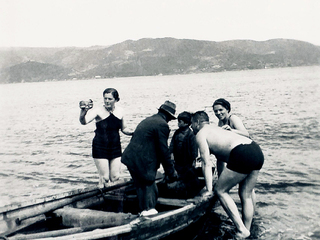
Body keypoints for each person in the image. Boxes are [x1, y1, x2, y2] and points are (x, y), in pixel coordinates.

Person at [191, 111, 264, 239]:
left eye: (192, 124)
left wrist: (209, 190)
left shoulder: (201, 134)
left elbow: (206, 163)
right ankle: (246, 230)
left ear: (197, 123)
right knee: (246, 195)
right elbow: (220, 160)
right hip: (256, 150)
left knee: (220, 191)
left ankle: (242, 230)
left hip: (242, 153)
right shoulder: (216, 129)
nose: (191, 127)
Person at [121, 100, 178, 216]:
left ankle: (143, 210)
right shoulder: (162, 125)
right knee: (149, 186)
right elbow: (164, 151)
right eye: (170, 119)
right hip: (143, 161)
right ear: (168, 116)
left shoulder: (149, 120)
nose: (169, 121)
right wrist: (171, 172)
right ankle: (149, 212)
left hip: (131, 158)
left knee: (140, 186)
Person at [79, 88, 133, 188]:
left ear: (116, 100)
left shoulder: (120, 111)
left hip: (115, 146)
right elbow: (84, 122)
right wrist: (83, 112)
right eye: (105, 98)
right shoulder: (98, 111)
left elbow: (124, 128)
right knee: (104, 178)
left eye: (110, 99)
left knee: (115, 177)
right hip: (100, 147)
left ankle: (114, 198)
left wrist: (134, 133)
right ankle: (102, 198)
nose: (107, 101)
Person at [162, 111, 202, 199]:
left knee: (188, 177)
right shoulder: (177, 133)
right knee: (173, 176)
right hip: (177, 161)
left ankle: (188, 193)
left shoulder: (191, 135)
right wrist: (171, 154)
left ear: (186, 123)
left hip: (187, 162)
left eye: (180, 122)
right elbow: (172, 145)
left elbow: (194, 150)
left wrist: (193, 161)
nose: (178, 124)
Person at [212, 98, 250, 176]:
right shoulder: (220, 122)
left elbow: (246, 134)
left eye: (221, 110)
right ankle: (220, 179)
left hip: (246, 152)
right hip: (235, 152)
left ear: (227, 109)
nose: (218, 113)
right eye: (215, 111)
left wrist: (231, 131)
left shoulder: (233, 118)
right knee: (219, 157)